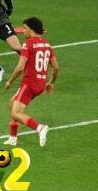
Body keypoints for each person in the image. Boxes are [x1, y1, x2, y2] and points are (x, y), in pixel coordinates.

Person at [3, 17, 59, 147]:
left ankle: (40, 128)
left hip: (29, 84)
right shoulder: (46, 44)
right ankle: (13, 138)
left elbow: (19, 68)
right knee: (12, 103)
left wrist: (10, 81)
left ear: (32, 30)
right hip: (40, 84)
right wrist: (50, 83)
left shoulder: (27, 44)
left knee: (16, 113)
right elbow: (56, 67)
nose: (23, 31)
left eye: (25, 28)